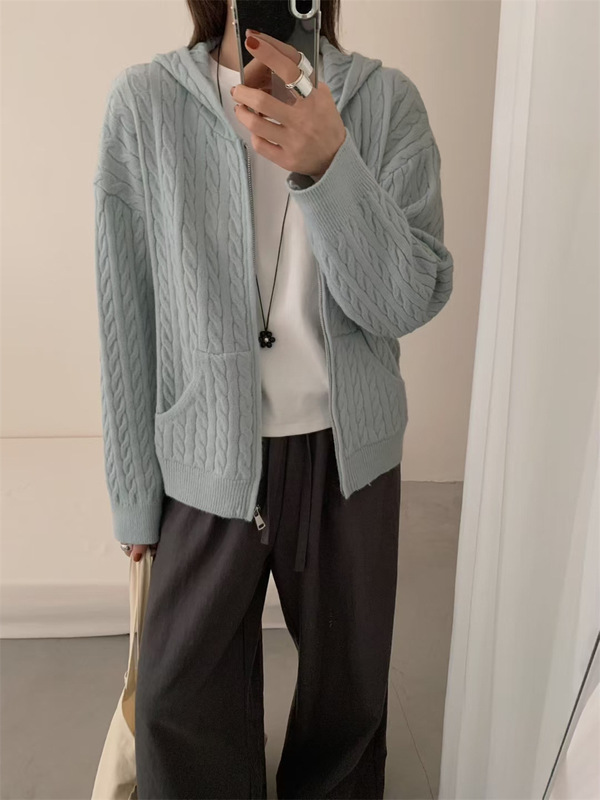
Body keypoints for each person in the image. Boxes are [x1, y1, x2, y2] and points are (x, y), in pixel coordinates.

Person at [93, 0, 453, 797]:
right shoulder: (145, 105)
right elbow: (127, 313)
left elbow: (403, 300)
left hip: (346, 464)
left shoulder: (386, 103)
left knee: (346, 706)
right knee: (177, 707)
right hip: (204, 457)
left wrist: (331, 166)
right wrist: (133, 495)